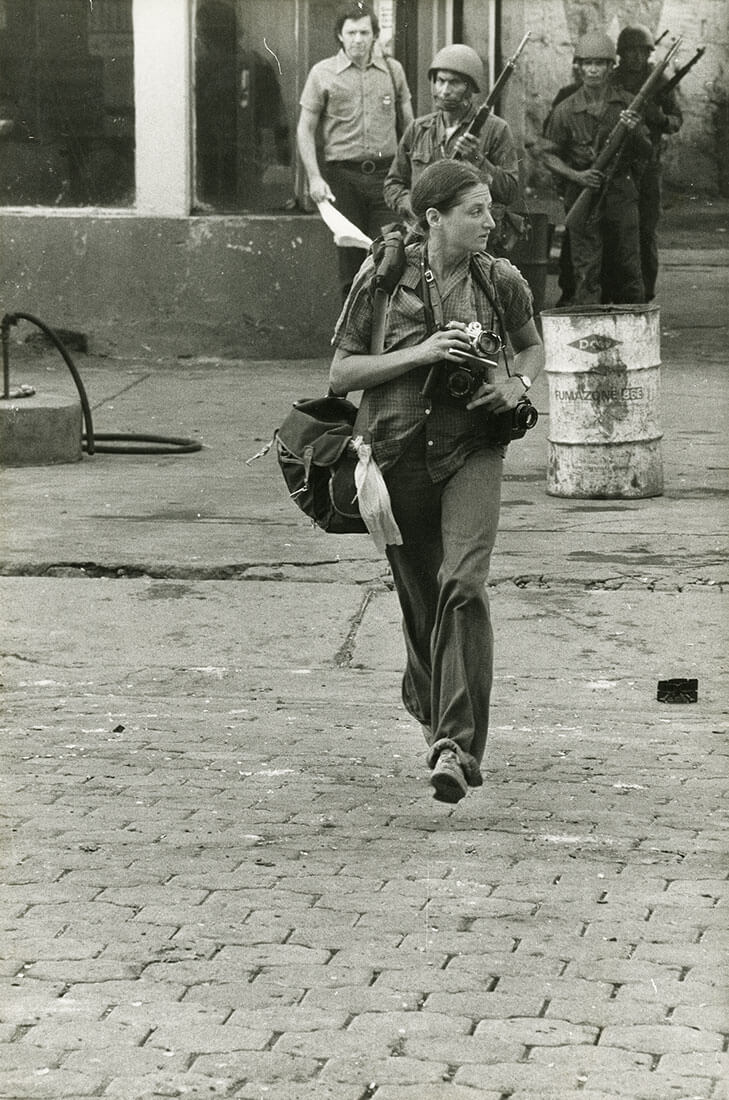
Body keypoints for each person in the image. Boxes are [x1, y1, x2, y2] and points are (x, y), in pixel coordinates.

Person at [329, 160, 544, 804]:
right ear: (433, 218)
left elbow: (531, 345)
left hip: (472, 450)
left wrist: (515, 382)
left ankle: (454, 745)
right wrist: (421, 354)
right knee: (422, 599)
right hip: (395, 458)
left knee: (465, 582)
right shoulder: (383, 275)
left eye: (490, 210)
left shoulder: (500, 280)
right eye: (475, 211)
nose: (489, 222)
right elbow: (340, 374)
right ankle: (429, 699)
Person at [297, 2, 413, 299]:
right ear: (340, 35)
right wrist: (314, 178)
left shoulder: (392, 70)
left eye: (364, 32)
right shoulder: (322, 73)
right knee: (351, 263)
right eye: (351, 32)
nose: (358, 39)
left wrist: (410, 173)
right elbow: (305, 130)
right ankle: (353, 339)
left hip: (386, 178)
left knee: (390, 254)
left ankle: (387, 339)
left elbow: (409, 125)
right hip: (342, 179)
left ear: (375, 35)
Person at [540, 31, 653, 305]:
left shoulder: (628, 103)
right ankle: (588, 328)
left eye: (600, 64)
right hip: (583, 194)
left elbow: (647, 150)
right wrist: (576, 175)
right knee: (586, 268)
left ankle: (634, 325)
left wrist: (635, 127)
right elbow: (548, 155)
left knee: (628, 264)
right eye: (587, 63)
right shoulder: (565, 110)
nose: (593, 70)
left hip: (620, 193)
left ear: (610, 67)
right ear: (578, 67)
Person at [384, 44, 521, 255]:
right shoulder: (419, 129)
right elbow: (393, 184)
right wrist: (415, 207)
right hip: (423, 239)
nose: (444, 90)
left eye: (454, 83)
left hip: (473, 246)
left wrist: (477, 160)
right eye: (440, 81)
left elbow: (510, 191)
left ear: (470, 87)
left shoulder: (496, 129)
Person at [610, 24, 682, 301]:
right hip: (617, 163)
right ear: (621, 54)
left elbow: (676, 120)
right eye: (630, 51)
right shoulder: (613, 79)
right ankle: (619, 290)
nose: (636, 57)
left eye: (642, 51)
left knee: (646, 230)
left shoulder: (659, 80)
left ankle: (645, 292)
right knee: (617, 230)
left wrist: (659, 118)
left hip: (648, 164)